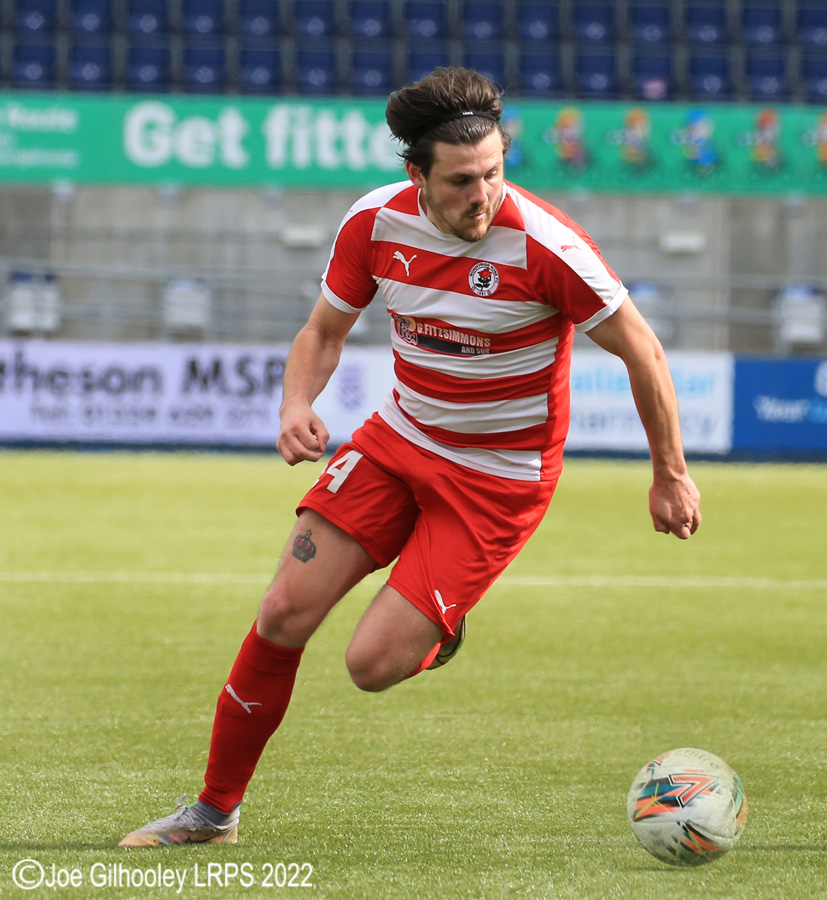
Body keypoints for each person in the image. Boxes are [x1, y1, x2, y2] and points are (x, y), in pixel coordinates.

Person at [119, 67, 701, 848]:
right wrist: (296, 406)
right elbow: (322, 333)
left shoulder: (547, 247)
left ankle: (434, 632)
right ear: (415, 176)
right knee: (283, 612)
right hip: (397, 443)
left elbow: (643, 353)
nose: (483, 195)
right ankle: (213, 812)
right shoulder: (373, 224)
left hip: (496, 483)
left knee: (370, 664)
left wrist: (668, 473)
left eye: (494, 173)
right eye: (462, 180)